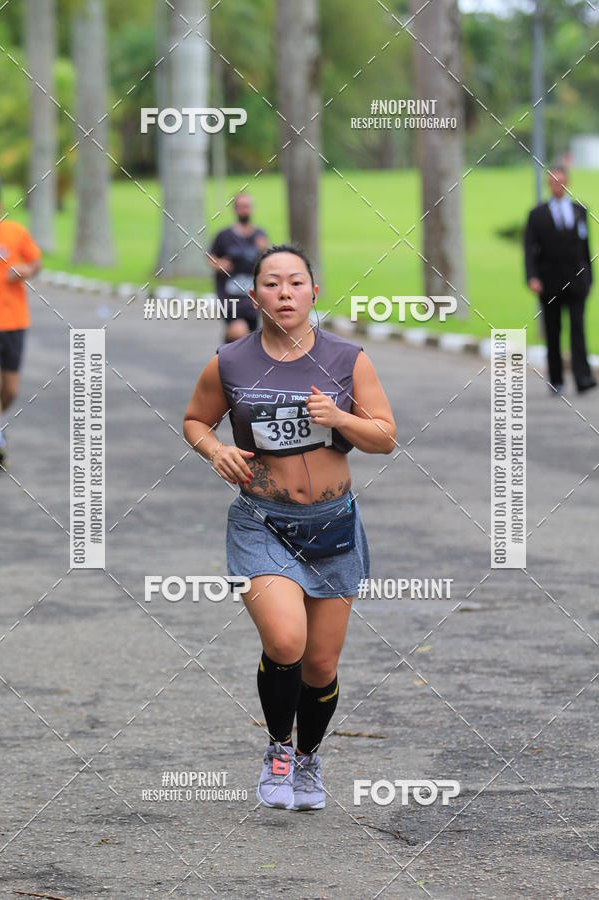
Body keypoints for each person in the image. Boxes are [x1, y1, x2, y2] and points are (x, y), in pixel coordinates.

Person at [184, 244, 396, 811]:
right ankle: (278, 749)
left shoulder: (348, 360)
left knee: (322, 663)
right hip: (263, 522)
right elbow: (195, 420)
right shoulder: (231, 362)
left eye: (295, 282)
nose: (284, 293)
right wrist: (215, 450)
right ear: (255, 296)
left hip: (332, 527)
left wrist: (340, 417)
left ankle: (307, 760)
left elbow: (385, 437)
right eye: (272, 284)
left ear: (313, 293)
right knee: (286, 642)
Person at [524, 163, 596, 395]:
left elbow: (585, 248)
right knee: (553, 331)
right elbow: (529, 250)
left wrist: (589, 279)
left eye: (561, 181)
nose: (557, 185)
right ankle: (556, 379)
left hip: (577, 282)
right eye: (553, 181)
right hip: (549, 282)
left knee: (578, 330)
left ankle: (583, 377)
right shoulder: (537, 215)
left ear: (567, 182)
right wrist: (532, 277)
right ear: (548, 183)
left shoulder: (579, 211)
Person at [0, 178, 42, 468]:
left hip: (14, 321)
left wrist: (25, 269)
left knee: (11, 389)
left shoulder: (14, 231)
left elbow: (36, 262)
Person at [207, 193, 268, 343]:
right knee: (239, 331)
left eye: (247, 206)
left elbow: (268, 262)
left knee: (250, 339)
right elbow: (210, 256)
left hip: (252, 299)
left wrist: (263, 250)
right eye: (241, 207)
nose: (245, 210)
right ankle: (225, 357)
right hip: (230, 298)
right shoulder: (224, 236)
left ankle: (228, 358)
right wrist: (219, 264)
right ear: (235, 210)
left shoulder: (260, 235)